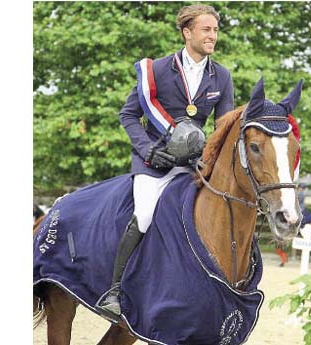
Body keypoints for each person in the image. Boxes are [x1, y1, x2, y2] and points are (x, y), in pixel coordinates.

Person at [97, 4, 234, 316]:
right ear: (187, 33)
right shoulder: (156, 70)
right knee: (144, 215)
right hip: (152, 163)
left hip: (192, 167)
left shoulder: (222, 77)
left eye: (215, 29)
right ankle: (114, 291)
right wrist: (147, 150)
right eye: (206, 29)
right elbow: (128, 115)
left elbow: (222, 129)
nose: (212, 35)